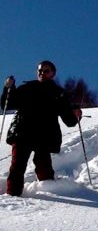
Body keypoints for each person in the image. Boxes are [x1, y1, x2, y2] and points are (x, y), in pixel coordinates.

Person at [2, 61, 82, 196]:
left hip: (44, 135)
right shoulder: (27, 88)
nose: (42, 73)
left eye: (46, 71)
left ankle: (49, 192)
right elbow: (7, 104)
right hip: (22, 131)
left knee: (43, 166)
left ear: (53, 74)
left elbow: (69, 120)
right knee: (17, 166)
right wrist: (8, 88)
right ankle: (12, 195)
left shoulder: (58, 93)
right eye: (40, 70)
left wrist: (76, 115)